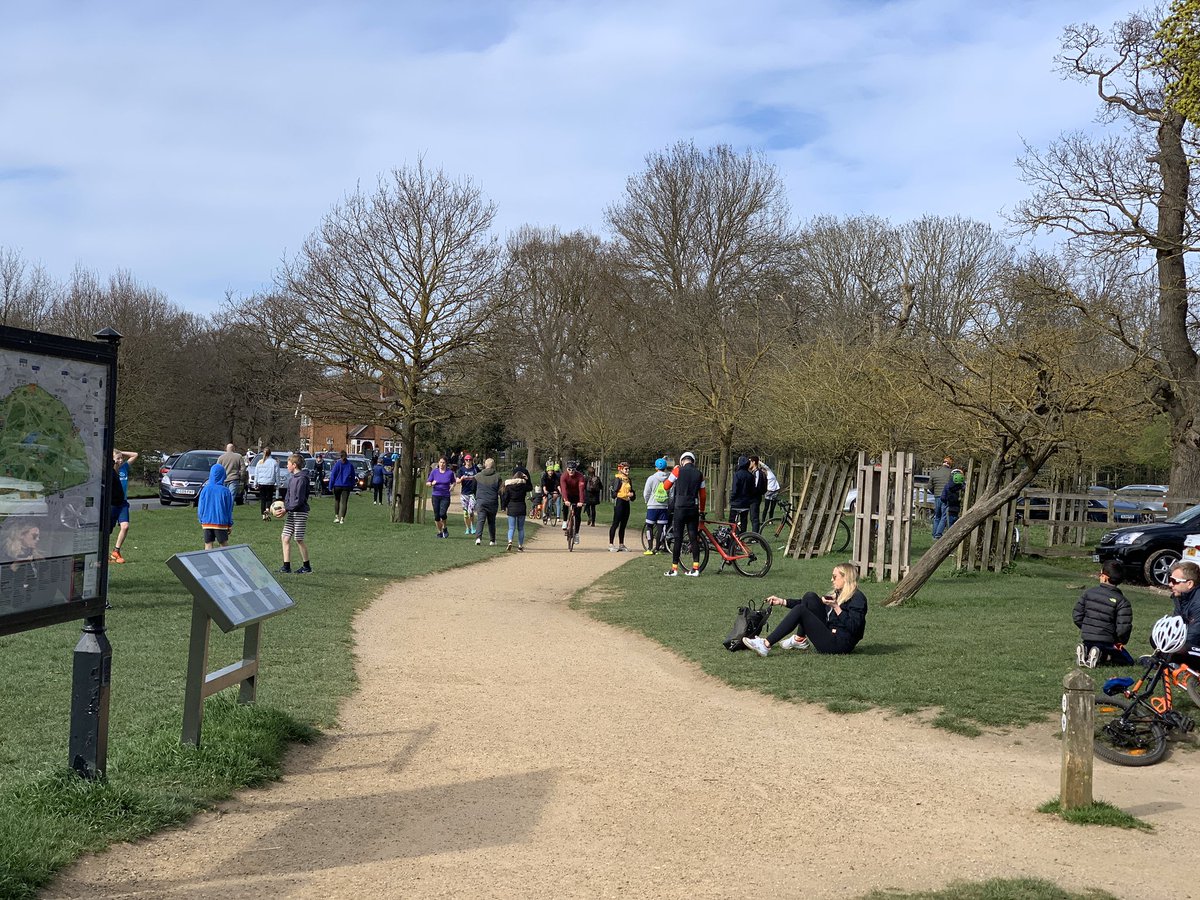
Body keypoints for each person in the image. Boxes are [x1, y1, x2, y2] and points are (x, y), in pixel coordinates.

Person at [742, 562, 868, 656]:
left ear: (845, 578)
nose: (832, 580)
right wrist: (782, 601)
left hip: (839, 644)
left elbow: (855, 627)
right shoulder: (839, 594)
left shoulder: (857, 598)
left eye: (834, 577)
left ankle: (765, 645)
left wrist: (836, 607)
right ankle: (799, 639)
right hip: (831, 633)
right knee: (810, 597)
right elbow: (807, 604)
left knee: (801, 610)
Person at [1072, 561, 1133, 668]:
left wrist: (1087, 627)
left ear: (1104, 577)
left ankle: (1085, 652)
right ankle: (1101, 656)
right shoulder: (1122, 601)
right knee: (1127, 660)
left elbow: (1077, 615)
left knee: (1091, 646)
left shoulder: (1088, 593)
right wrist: (1120, 641)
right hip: (1107, 641)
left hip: (1087, 637)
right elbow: (1123, 628)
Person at [662, 451, 705, 576]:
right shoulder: (699, 474)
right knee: (693, 537)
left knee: (678, 538)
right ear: (693, 461)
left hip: (680, 507)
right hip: (693, 507)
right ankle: (695, 568)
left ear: (682, 461)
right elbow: (703, 495)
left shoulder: (677, 471)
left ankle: (674, 569)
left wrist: (673, 471)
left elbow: (666, 486)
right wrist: (701, 509)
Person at [279, 453, 312, 574]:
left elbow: (299, 500)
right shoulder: (292, 478)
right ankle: (286, 566)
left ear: (294, 465)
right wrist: (284, 507)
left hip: (300, 512)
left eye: (288, 463)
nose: (286, 465)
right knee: (285, 537)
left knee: (298, 538)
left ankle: (307, 566)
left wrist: (287, 509)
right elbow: (288, 497)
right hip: (291, 512)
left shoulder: (302, 479)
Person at [1166, 562, 1200, 665]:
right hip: (1192, 644)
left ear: (1189, 584)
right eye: (1169, 579)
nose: (1170, 584)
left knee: (1180, 648)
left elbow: (1193, 636)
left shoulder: (1198, 603)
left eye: (1174, 581)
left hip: (1195, 644)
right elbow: (1176, 626)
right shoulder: (1181, 598)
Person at [110, 448, 138, 563]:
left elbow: (135, 454)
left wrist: (120, 452)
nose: (121, 460)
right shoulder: (110, 471)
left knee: (125, 526)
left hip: (123, 503)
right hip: (111, 504)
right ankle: (103, 554)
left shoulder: (125, 467)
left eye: (122, 458)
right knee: (107, 530)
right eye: (118, 459)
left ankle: (116, 551)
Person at [198, 463, 235, 550]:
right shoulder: (225, 491)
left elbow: (201, 507)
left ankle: (209, 562)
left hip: (207, 521)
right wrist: (229, 524)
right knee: (223, 544)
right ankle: (226, 562)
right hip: (220, 522)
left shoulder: (205, 489)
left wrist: (201, 519)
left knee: (208, 544)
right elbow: (228, 509)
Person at [500, 465, 532, 551]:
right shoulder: (524, 486)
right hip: (521, 507)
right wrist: (527, 478)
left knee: (511, 527)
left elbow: (505, 498)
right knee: (521, 528)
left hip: (512, 507)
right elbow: (531, 487)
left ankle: (510, 541)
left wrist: (504, 506)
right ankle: (520, 545)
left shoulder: (509, 487)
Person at [643, 458, 670, 556]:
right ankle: (658, 548)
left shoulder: (651, 478)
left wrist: (647, 501)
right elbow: (671, 493)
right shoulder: (669, 478)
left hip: (652, 506)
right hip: (664, 506)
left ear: (656, 467)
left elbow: (646, 492)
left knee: (649, 526)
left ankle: (649, 547)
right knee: (661, 528)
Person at [473, 458, 502, 546]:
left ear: (485, 465)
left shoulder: (477, 476)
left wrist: (477, 496)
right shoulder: (497, 477)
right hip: (492, 501)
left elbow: (473, 488)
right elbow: (501, 490)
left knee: (480, 520)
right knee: (491, 521)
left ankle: (478, 538)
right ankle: (492, 540)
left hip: (481, 501)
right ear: (493, 466)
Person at [426, 456, 456, 538]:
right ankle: (439, 532)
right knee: (436, 516)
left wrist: (452, 486)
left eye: (443, 462)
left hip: (445, 496)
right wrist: (432, 483)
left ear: (446, 464)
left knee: (442, 513)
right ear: (438, 463)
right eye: (440, 462)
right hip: (436, 495)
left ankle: (445, 528)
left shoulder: (449, 473)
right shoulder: (434, 472)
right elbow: (428, 483)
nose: (442, 464)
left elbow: (454, 482)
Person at [560, 460, 587, 546]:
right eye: (569, 469)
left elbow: (581, 490)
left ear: (576, 469)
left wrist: (581, 501)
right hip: (568, 494)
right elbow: (563, 489)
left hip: (577, 495)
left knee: (578, 514)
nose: (571, 471)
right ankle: (565, 520)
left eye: (573, 470)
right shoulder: (563, 476)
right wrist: (565, 499)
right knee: (565, 505)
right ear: (567, 469)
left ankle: (576, 534)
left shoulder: (580, 476)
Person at [728, 455, 754, 534]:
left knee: (731, 521)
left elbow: (735, 489)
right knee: (744, 520)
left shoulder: (737, 474)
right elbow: (752, 490)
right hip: (746, 502)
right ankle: (743, 535)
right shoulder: (751, 476)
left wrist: (732, 499)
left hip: (736, 502)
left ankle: (735, 534)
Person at [329, 451, 356, 525]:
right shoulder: (350, 465)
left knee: (337, 500)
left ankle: (336, 517)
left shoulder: (337, 464)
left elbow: (333, 476)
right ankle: (342, 519)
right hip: (346, 485)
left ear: (340, 456)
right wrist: (352, 485)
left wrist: (330, 486)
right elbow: (353, 476)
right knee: (344, 502)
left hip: (337, 485)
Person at [930, 456, 953, 538]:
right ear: (949, 464)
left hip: (937, 496)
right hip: (945, 497)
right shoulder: (951, 473)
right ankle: (938, 534)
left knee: (937, 516)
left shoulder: (934, 472)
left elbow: (930, 486)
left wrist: (934, 492)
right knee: (943, 516)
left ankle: (934, 533)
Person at [254, 447, 280, 520]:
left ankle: (263, 515)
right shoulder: (274, 462)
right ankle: (268, 509)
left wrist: (255, 483)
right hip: (270, 482)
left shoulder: (260, 462)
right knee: (269, 498)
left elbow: (256, 473)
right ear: (270, 453)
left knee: (263, 499)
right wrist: (278, 484)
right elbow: (277, 474)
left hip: (261, 483)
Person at [457, 453, 479, 535]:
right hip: (464, 493)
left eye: (470, 460)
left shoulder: (475, 469)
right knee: (465, 513)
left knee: (471, 511)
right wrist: (462, 478)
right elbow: (457, 481)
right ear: (464, 461)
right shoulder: (461, 470)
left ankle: (473, 526)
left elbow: (480, 477)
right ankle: (467, 528)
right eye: (466, 460)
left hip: (472, 493)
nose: (468, 461)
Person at [749, 456, 769, 534]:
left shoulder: (757, 473)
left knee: (754, 517)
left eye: (750, 462)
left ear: (754, 462)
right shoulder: (753, 472)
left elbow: (756, 486)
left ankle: (755, 536)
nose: (749, 464)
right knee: (752, 517)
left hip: (755, 497)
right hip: (752, 497)